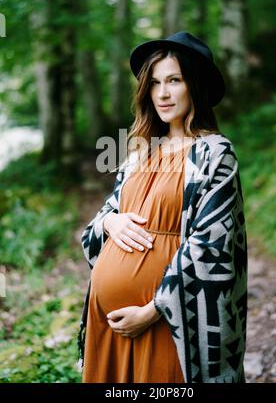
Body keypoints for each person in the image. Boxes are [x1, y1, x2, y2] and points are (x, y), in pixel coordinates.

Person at [78, 31, 248, 383]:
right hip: (108, 323)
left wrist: (153, 309)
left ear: (195, 85)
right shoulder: (140, 152)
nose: (163, 93)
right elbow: (102, 218)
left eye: (174, 80)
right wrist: (110, 224)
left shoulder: (214, 154)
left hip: (172, 321)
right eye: (155, 83)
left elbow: (212, 247)